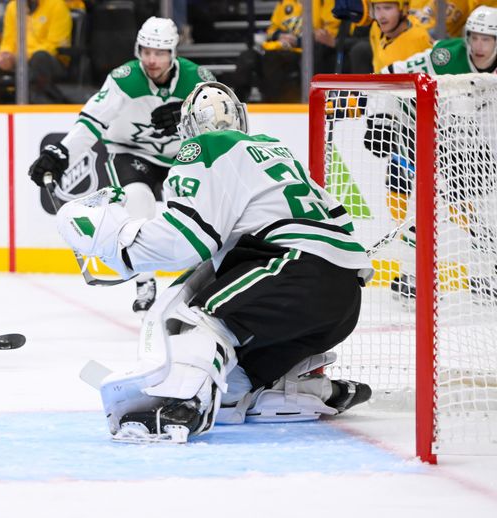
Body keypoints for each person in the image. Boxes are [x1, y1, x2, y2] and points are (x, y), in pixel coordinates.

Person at [54, 81, 374, 443]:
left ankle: (180, 405)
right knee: (232, 387)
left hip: (295, 271)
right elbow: (340, 222)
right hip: (344, 296)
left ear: (190, 126)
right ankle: (308, 391)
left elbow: (185, 239)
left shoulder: (206, 147)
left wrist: (117, 242)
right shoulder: (275, 151)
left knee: (200, 322)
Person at [28, 16, 216, 313]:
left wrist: (185, 113)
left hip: (182, 154)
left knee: (193, 208)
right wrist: (61, 154)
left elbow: (223, 122)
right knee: (139, 201)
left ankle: (203, 278)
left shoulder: (199, 78)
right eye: (146, 51)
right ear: (137, 48)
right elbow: (92, 120)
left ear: (173, 53)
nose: (151, 60)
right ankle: (145, 280)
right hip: (131, 152)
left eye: (160, 53)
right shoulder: (124, 78)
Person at [372, 5, 497, 302]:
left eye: (487, 39)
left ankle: (486, 277)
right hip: (446, 146)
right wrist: (381, 117)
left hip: (486, 148)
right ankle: (413, 277)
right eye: (474, 38)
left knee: (487, 215)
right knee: (422, 209)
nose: (479, 46)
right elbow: (392, 74)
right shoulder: (446, 55)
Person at [0, 0, 72, 104]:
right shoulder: (13, 6)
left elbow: (54, 45)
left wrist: (21, 56)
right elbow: (8, 40)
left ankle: (40, 107)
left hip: (50, 62)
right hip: (18, 60)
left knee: (40, 57)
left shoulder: (57, 5)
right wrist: (4, 55)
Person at [369, 0, 433, 72]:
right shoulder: (376, 29)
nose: (381, 16)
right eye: (377, 8)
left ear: (404, 9)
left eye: (387, 8)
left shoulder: (421, 38)